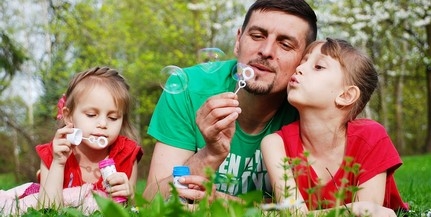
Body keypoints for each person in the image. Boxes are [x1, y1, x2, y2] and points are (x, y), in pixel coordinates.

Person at [143, 0, 318, 202]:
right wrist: (209, 154)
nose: (266, 51)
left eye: (285, 44)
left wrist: (223, 204)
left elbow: (312, 208)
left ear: (304, 60)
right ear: (238, 40)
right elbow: (151, 200)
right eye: (257, 36)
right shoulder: (189, 88)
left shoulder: (311, 106)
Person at [261, 38, 409, 216]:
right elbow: (293, 214)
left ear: (346, 95)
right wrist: (356, 209)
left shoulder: (371, 137)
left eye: (318, 67)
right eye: (303, 62)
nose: (299, 68)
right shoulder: (274, 144)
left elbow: (371, 213)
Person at [0, 66, 143, 215]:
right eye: (91, 115)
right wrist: (58, 163)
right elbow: (47, 208)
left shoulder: (126, 154)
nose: (103, 124)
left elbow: (132, 210)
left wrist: (130, 195)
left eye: (113, 117)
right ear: (69, 116)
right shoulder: (53, 153)